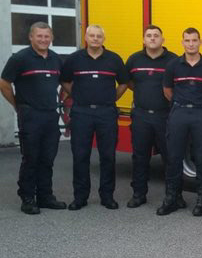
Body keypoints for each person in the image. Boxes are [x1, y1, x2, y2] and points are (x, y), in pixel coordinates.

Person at [60, 25, 128, 210]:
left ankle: (107, 196)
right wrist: (76, 94)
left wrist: (111, 98)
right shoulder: (75, 59)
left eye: (99, 36)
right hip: (81, 112)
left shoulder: (114, 59)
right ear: (86, 37)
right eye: (92, 35)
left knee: (108, 156)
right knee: (80, 156)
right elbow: (64, 80)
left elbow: (124, 82)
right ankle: (80, 197)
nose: (95, 39)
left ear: (103, 39)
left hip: (106, 113)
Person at [0, 22, 65, 214]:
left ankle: (45, 196)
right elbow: (4, 83)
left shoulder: (56, 59)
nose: (43, 40)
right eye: (39, 36)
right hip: (30, 115)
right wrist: (17, 105)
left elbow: (64, 83)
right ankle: (28, 197)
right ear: (31, 37)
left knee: (48, 158)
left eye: (47, 36)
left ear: (51, 38)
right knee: (31, 158)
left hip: (50, 115)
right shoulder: (20, 58)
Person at [157, 27, 202, 217]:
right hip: (179, 113)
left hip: (201, 114)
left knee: (201, 157)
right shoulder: (173, 65)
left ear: (200, 42)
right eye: (187, 40)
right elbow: (167, 90)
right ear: (182, 42)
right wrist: (180, 103)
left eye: (194, 40)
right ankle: (172, 198)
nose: (191, 44)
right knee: (174, 157)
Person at [124, 25, 178, 208]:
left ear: (163, 39)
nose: (152, 38)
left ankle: (174, 196)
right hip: (141, 115)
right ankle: (139, 194)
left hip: (165, 116)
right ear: (143, 40)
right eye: (149, 35)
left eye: (156, 35)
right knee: (140, 157)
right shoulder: (134, 59)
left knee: (170, 157)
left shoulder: (173, 60)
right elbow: (128, 82)